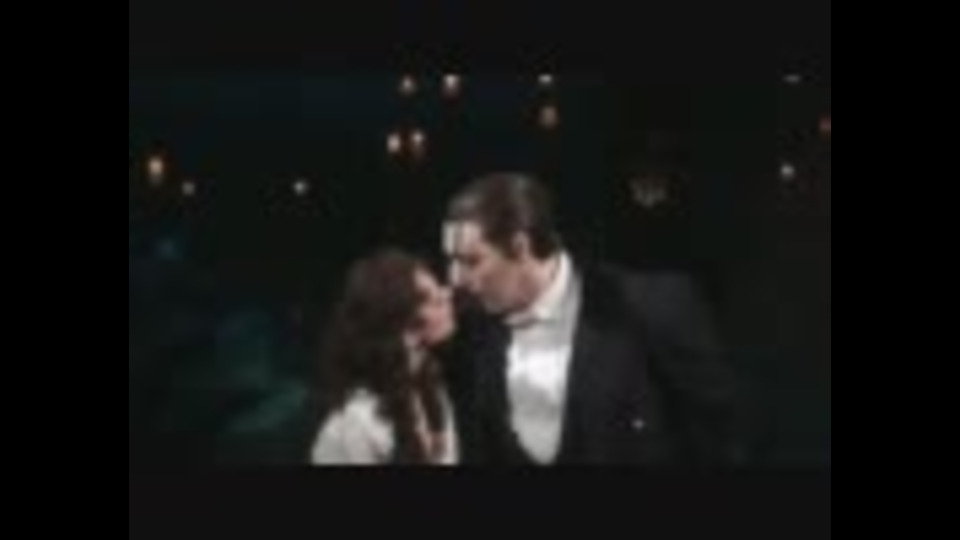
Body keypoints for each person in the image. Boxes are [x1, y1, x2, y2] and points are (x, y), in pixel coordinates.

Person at [441, 172, 742, 465]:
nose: (455, 278)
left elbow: (727, 437)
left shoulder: (651, 306)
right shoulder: (474, 331)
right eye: (450, 260)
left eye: (470, 261)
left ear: (521, 246)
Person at [309, 249, 459, 465]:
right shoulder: (357, 423)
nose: (446, 294)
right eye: (427, 298)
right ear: (402, 326)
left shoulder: (432, 392)